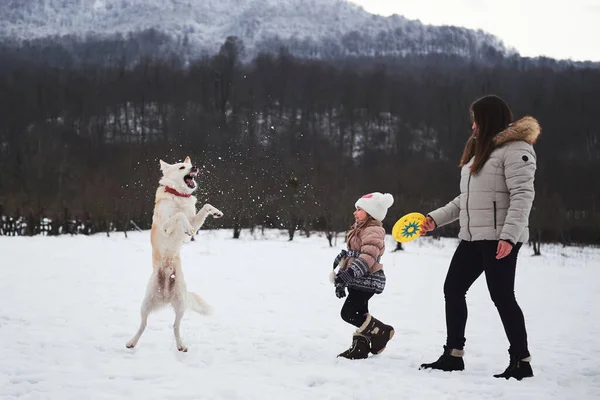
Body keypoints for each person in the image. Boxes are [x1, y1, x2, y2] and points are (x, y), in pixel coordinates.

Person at [419, 94, 540, 380]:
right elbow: (467, 200)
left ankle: (521, 361)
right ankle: (453, 355)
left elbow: (523, 196)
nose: (472, 125)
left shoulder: (516, 149)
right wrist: (434, 219)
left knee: (501, 296)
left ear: (487, 119)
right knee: (453, 289)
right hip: (473, 237)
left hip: (499, 238)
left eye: (476, 119)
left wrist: (509, 237)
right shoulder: (480, 151)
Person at [331, 192, 395, 360]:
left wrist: (350, 274)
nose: (355, 212)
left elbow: (368, 256)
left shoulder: (374, 230)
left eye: (359, 209)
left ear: (371, 213)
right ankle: (360, 348)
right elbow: (351, 257)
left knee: (348, 313)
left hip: (369, 279)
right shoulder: (359, 230)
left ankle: (382, 331)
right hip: (359, 281)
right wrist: (341, 281)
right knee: (361, 313)